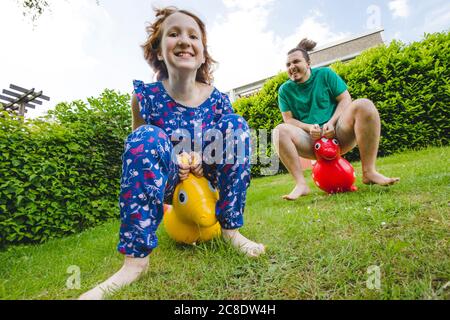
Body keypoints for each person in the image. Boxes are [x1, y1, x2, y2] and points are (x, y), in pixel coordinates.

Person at [79, 6, 265, 300]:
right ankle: (135, 261)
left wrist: (205, 162)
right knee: (144, 137)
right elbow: (141, 150)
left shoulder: (217, 100)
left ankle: (231, 230)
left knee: (237, 126)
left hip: (208, 182)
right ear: (159, 51)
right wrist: (172, 161)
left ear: (202, 53)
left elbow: (227, 149)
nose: (183, 40)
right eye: (173, 34)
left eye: (193, 36)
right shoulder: (145, 98)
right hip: (168, 185)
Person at [273, 38, 400, 200]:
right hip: (311, 140)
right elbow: (289, 120)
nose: (291, 67)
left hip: (338, 133)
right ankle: (301, 185)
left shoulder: (325, 75)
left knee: (364, 105)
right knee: (279, 131)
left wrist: (331, 122)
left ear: (308, 63)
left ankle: (369, 172)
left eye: (296, 62)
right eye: (288, 65)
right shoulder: (284, 90)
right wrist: (309, 127)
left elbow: (345, 99)